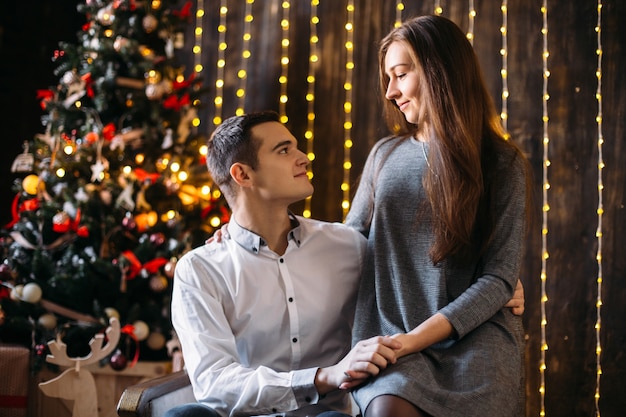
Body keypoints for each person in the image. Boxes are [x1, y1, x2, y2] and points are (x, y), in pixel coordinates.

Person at [343, 15, 531, 417]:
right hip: (394, 336)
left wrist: (418, 339)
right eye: (388, 78)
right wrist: (253, 232)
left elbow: (498, 278)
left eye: (401, 74)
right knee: (387, 409)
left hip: (476, 342)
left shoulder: (501, 162)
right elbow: (346, 242)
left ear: (437, 70)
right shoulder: (384, 155)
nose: (391, 91)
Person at [165, 111, 402, 417]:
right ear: (243, 175)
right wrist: (322, 377)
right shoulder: (199, 270)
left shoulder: (348, 247)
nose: (303, 158)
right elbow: (214, 383)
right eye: (284, 150)